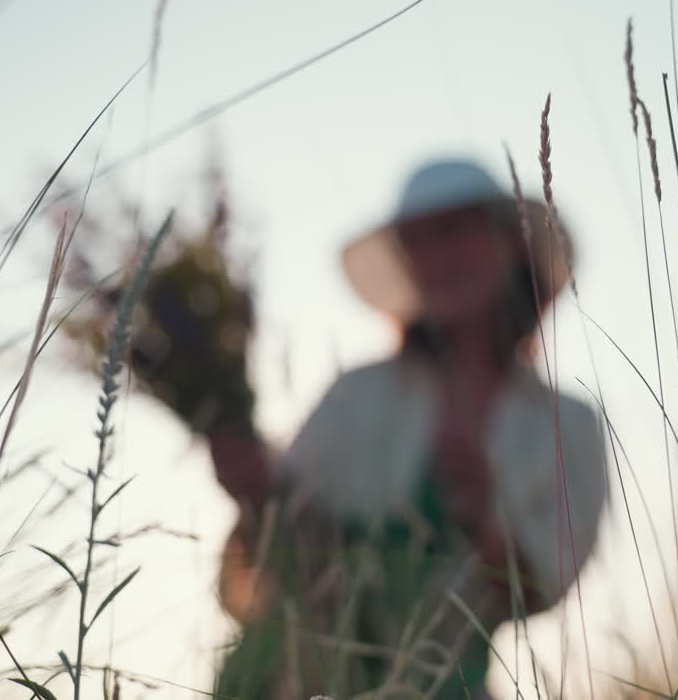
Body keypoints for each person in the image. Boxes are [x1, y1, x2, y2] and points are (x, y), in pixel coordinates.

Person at [202, 158, 609, 699]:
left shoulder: (567, 425)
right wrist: (256, 492)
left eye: (456, 233)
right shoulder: (356, 395)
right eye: (418, 243)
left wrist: (481, 518)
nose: (438, 257)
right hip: (292, 680)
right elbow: (283, 541)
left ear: (510, 244)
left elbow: (544, 588)